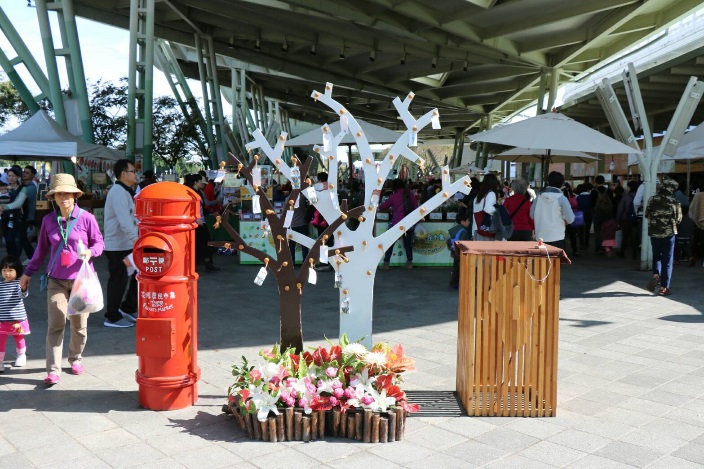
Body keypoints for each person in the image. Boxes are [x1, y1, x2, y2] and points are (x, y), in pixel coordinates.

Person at [20, 174, 104, 385]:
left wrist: (90, 252)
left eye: (67, 193)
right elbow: (40, 252)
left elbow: (100, 244)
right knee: (56, 324)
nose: (64, 197)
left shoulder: (87, 218)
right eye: (59, 193)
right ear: (54, 197)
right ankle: (53, 370)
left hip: (81, 282)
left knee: (79, 325)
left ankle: (75, 358)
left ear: (75, 195)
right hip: (56, 280)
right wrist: (28, 273)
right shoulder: (49, 220)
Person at [103, 159, 139, 328]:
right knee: (118, 280)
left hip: (126, 244)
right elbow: (124, 220)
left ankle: (126, 308)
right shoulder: (118, 191)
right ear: (124, 174)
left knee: (134, 276)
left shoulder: (125, 191)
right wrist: (136, 239)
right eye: (133, 171)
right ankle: (112, 316)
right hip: (117, 245)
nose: (136, 174)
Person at [644, 179, 682, 296]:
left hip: (654, 234)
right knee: (667, 260)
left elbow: (646, 214)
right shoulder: (674, 202)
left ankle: (656, 275)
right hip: (668, 234)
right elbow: (678, 219)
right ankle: (664, 287)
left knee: (656, 256)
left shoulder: (652, 199)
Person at [379, 178, 418, 270]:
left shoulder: (394, 196)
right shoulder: (410, 194)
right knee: (407, 244)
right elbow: (416, 207)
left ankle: (386, 263)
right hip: (409, 222)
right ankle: (409, 263)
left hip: (397, 223)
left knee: (390, 243)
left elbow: (382, 206)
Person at [530, 171, 575, 250]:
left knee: (542, 262)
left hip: (540, 237)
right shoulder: (562, 198)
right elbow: (570, 219)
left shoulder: (538, 197)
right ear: (562, 184)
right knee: (556, 262)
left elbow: (532, 215)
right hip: (557, 236)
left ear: (548, 182)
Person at [184, 174, 220, 272]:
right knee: (200, 243)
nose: (202, 183)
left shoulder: (200, 192)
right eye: (200, 181)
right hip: (195, 222)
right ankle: (201, 264)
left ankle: (207, 263)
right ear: (195, 182)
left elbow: (206, 203)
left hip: (201, 221)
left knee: (204, 243)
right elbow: (188, 208)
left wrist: (216, 203)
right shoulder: (190, 193)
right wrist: (195, 219)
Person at [0, 255, 29, 372]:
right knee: (1, 340)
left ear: (17, 271)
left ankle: (21, 355)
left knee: (19, 338)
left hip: (17, 319)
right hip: (2, 319)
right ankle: (0, 360)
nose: (7, 273)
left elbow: (23, 294)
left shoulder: (18, 283)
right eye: (4, 270)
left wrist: (23, 287)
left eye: (10, 270)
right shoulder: (1, 285)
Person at [472, 173, 500, 241]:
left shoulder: (479, 196)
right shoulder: (491, 194)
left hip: (477, 229)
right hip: (487, 229)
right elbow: (488, 209)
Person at [448, 213, 471, 289]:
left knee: (456, 269)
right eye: (467, 220)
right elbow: (463, 243)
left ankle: (453, 283)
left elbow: (449, 241)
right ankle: (461, 284)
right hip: (460, 253)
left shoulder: (454, 229)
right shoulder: (463, 231)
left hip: (455, 252)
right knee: (462, 269)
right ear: (462, 222)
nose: (469, 222)